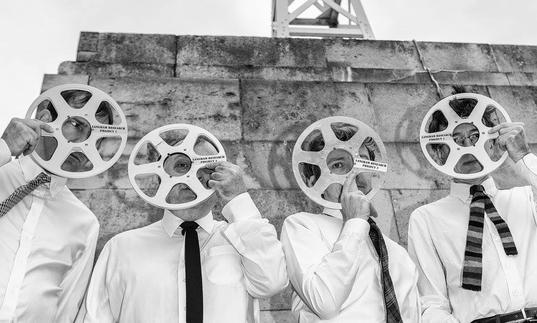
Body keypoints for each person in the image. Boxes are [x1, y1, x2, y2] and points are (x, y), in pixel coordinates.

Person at [80, 130, 288, 323]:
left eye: (208, 168)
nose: (195, 176)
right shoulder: (121, 248)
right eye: (182, 165)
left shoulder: (241, 241)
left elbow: (272, 281)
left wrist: (239, 199)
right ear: (159, 175)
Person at [408, 88, 537, 322]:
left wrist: (524, 156)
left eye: (475, 136)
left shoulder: (527, 198)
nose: (467, 146)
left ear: (493, 143)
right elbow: (432, 304)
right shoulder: (425, 218)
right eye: (456, 139)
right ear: (437, 153)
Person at [281, 122, 421, 322]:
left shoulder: (398, 253)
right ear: (313, 181)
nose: (354, 174)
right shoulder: (302, 226)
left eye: (362, 162)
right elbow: (324, 303)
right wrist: (354, 222)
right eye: (338, 165)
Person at [0, 89, 114, 322]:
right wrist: (3, 148)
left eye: (96, 137)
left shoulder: (84, 222)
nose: (84, 142)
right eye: (77, 125)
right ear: (43, 119)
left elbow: (67, 308)